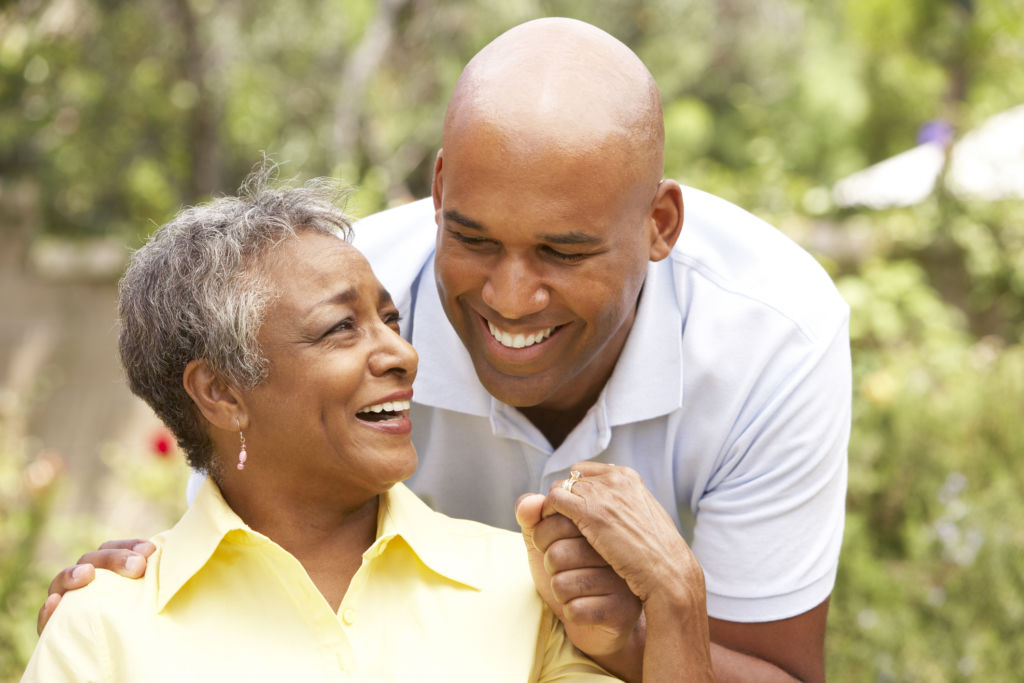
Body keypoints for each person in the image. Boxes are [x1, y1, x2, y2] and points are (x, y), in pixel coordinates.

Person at [39, 17, 848, 682]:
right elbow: (245, 505)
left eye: (563, 253)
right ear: (436, 193)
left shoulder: (774, 335)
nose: (509, 294)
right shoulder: (345, 284)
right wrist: (126, 599)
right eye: (472, 238)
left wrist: (652, 621)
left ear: (660, 226)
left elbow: (780, 669)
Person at [24, 171, 713, 681]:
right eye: (340, 328)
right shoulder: (104, 628)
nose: (401, 353)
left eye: (389, 318)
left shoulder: (525, 590)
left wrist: (676, 603)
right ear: (221, 391)